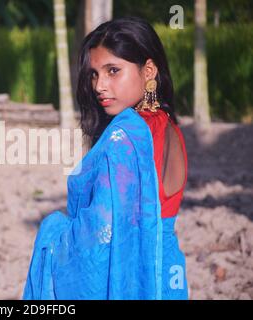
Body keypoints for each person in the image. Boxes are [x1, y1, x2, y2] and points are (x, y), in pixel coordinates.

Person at [23, 17, 188, 300]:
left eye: (113, 71)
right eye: (94, 74)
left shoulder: (125, 138)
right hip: (166, 275)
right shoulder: (168, 126)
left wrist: (53, 232)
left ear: (148, 70)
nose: (99, 85)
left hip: (131, 279)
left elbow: (100, 235)